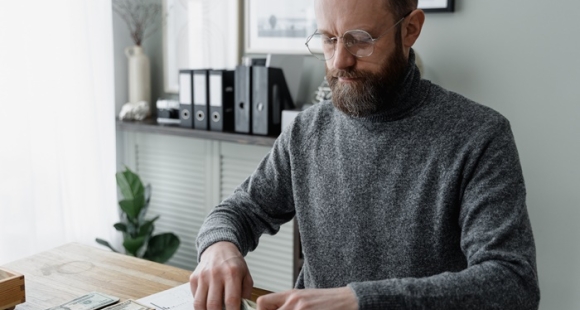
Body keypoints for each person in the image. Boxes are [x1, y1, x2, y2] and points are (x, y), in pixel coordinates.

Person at [189, 0, 540, 309]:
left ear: (410, 29)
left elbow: (512, 283)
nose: (340, 60)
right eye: (328, 38)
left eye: (360, 40)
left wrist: (359, 300)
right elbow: (238, 212)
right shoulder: (306, 131)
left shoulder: (479, 136)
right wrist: (218, 247)